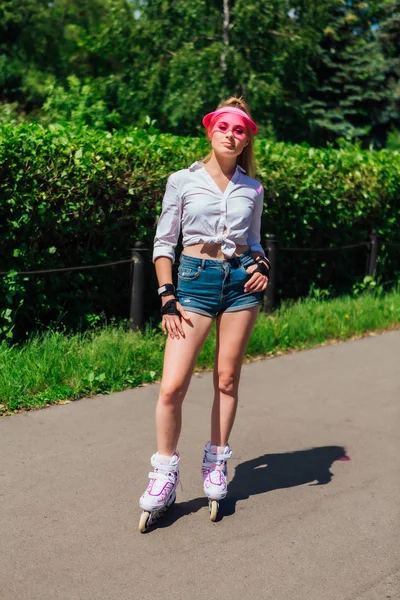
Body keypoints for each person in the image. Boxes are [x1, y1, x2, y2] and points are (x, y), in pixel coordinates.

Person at [138, 97, 270, 531]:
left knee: (227, 378)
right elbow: (163, 244)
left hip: (239, 286)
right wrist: (167, 297)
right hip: (192, 282)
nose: (231, 135)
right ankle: (164, 474)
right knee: (172, 385)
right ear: (210, 130)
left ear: (247, 137)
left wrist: (262, 264)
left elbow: (254, 242)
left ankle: (216, 463)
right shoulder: (182, 180)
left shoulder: (253, 188)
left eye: (240, 130)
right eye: (224, 127)